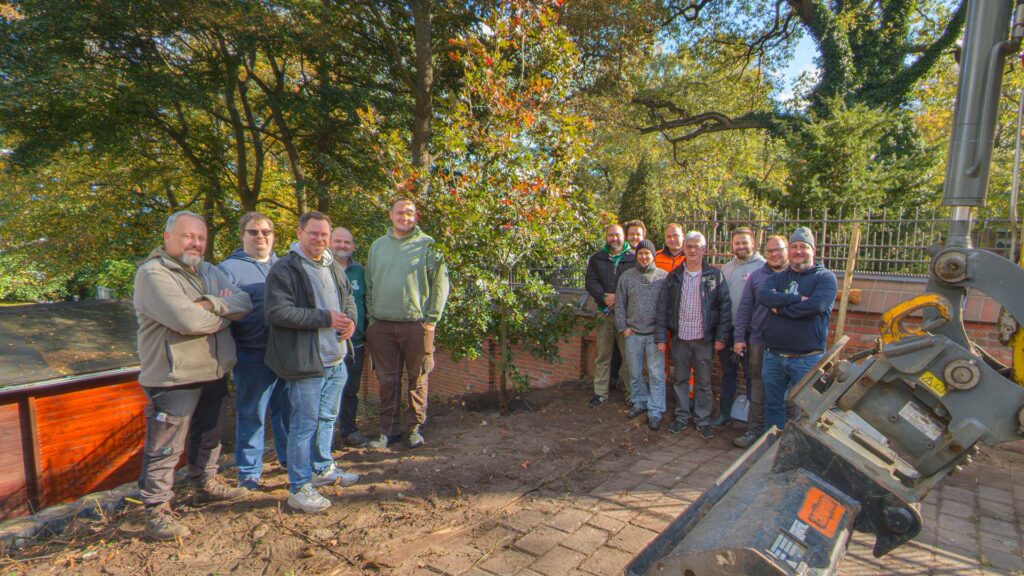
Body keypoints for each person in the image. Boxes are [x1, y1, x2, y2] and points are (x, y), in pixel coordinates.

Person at [133, 211, 252, 540]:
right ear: (168, 237)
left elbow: (244, 304)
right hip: (173, 376)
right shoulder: (153, 274)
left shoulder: (211, 272)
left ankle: (205, 484)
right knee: (165, 446)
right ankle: (156, 509)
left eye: (200, 238)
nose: (195, 243)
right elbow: (188, 322)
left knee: (208, 434)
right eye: (188, 236)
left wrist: (210, 304)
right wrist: (223, 312)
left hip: (212, 369)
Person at [265, 211, 360, 514]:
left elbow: (347, 301)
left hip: (337, 357)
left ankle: (322, 468)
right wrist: (325, 318)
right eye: (314, 234)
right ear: (300, 233)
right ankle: (299, 487)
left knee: (327, 419)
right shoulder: (285, 268)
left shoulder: (332, 265)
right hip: (306, 361)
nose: (320, 240)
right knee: (303, 425)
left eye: (324, 235)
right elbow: (278, 312)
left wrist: (351, 323)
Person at [365, 199, 450, 450]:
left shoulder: (428, 246)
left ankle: (415, 429)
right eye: (400, 212)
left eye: (410, 213)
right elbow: (370, 284)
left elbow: (441, 286)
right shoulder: (377, 246)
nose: (405, 216)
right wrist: (372, 319)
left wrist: (431, 322)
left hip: (416, 326)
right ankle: (388, 432)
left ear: (416, 216)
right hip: (381, 326)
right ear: (390, 215)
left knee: (418, 378)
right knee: (387, 380)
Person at [218, 212, 290, 490]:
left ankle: (287, 458)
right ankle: (249, 472)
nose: (260, 236)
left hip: (285, 353)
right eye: (253, 232)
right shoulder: (228, 270)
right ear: (242, 235)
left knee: (286, 411)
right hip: (251, 354)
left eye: (266, 232)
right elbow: (223, 313)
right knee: (252, 414)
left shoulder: (284, 266)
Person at [759, 227, 837, 431]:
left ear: (813, 250)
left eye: (803, 246)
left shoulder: (825, 278)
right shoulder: (778, 277)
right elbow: (764, 297)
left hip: (806, 359)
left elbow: (816, 306)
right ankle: (771, 447)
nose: (798, 251)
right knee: (773, 405)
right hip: (774, 356)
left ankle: (801, 450)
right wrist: (795, 300)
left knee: (807, 410)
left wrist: (780, 309)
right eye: (794, 247)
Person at [656, 231, 731, 440]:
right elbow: (663, 307)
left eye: (697, 246)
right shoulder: (674, 276)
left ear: (704, 249)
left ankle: (703, 420)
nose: (692, 250)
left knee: (703, 381)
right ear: (684, 249)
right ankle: (681, 417)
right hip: (680, 338)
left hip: (704, 339)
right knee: (680, 379)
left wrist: (721, 337)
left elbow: (725, 307)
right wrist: (661, 337)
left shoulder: (714, 275)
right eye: (688, 246)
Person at [731, 235, 789, 448]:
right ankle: (754, 431)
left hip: (788, 344)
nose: (775, 254)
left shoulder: (795, 276)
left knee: (786, 390)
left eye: (779, 249)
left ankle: (782, 434)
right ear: (765, 254)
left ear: (787, 250)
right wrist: (739, 339)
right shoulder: (756, 277)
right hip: (758, 341)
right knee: (757, 386)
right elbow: (745, 309)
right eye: (771, 250)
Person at [711, 227, 765, 427]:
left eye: (744, 242)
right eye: (737, 243)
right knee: (728, 372)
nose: (741, 246)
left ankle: (753, 421)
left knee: (752, 375)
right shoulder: (727, 268)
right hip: (729, 330)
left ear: (753, 243)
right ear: (732, 245)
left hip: (752, 333)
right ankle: (724, 414)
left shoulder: (763, 267)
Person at [615, 239, 668, 430]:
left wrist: (662, 332)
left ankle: (655, 409)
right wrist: (623, 327)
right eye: (640, 254)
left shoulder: (663, 277)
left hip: (654, 335)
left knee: (655, 374)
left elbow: (667, 307)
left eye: (647, 253)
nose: (644, 257)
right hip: (633, 333)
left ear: (654, 255)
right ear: (636, 256)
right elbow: (620, 303)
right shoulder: (627, 277)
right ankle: (640, 401)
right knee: (634, 371)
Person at [584, 224, 636, 407]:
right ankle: (600, 393)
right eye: (611, 235)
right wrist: (603, 297)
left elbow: (637, 284)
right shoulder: (597, 258)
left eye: (618, 235)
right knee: (603, 355)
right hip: (604, 314)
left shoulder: (634, 258)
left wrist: (618, 297)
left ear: (624, 237)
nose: (615, 239)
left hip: (627, 316)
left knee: (629, 356)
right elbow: (590, 281)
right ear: (606, 237)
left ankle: (632, 394)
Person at [330, 226, 370, 448]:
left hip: (356, 343)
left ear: (353, 246)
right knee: (325, 391)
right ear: (329, 243)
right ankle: (323, 438)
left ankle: (348, 430)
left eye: (347, 242)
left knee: (350, 390)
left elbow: (367, 301)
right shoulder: (322, 269)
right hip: (328, 344)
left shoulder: (360, 272)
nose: (342, 246)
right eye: (338, 241)